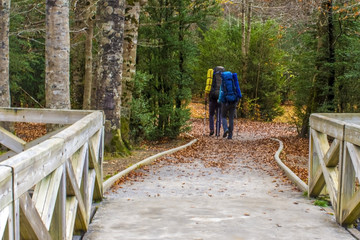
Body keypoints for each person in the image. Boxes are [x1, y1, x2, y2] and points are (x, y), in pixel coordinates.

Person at [218, 71, 242, 139]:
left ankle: (225, 129)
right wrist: (238, 98)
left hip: (225, 102)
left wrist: (220, 100)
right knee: (231, 118)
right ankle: (230, 135)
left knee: (223, 116)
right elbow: (238, 89)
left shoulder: (223, 82)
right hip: (233, 101)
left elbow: (221, 92)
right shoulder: (233, 80)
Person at [205, 66, 225, 136]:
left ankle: (211, 129)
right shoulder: (223, 77)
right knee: (219, 115)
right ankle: (218, 132)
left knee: (211, 114)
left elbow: (208, 86)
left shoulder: (212, 76)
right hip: (220, 98)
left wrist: (205, 96)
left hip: (212, 97)